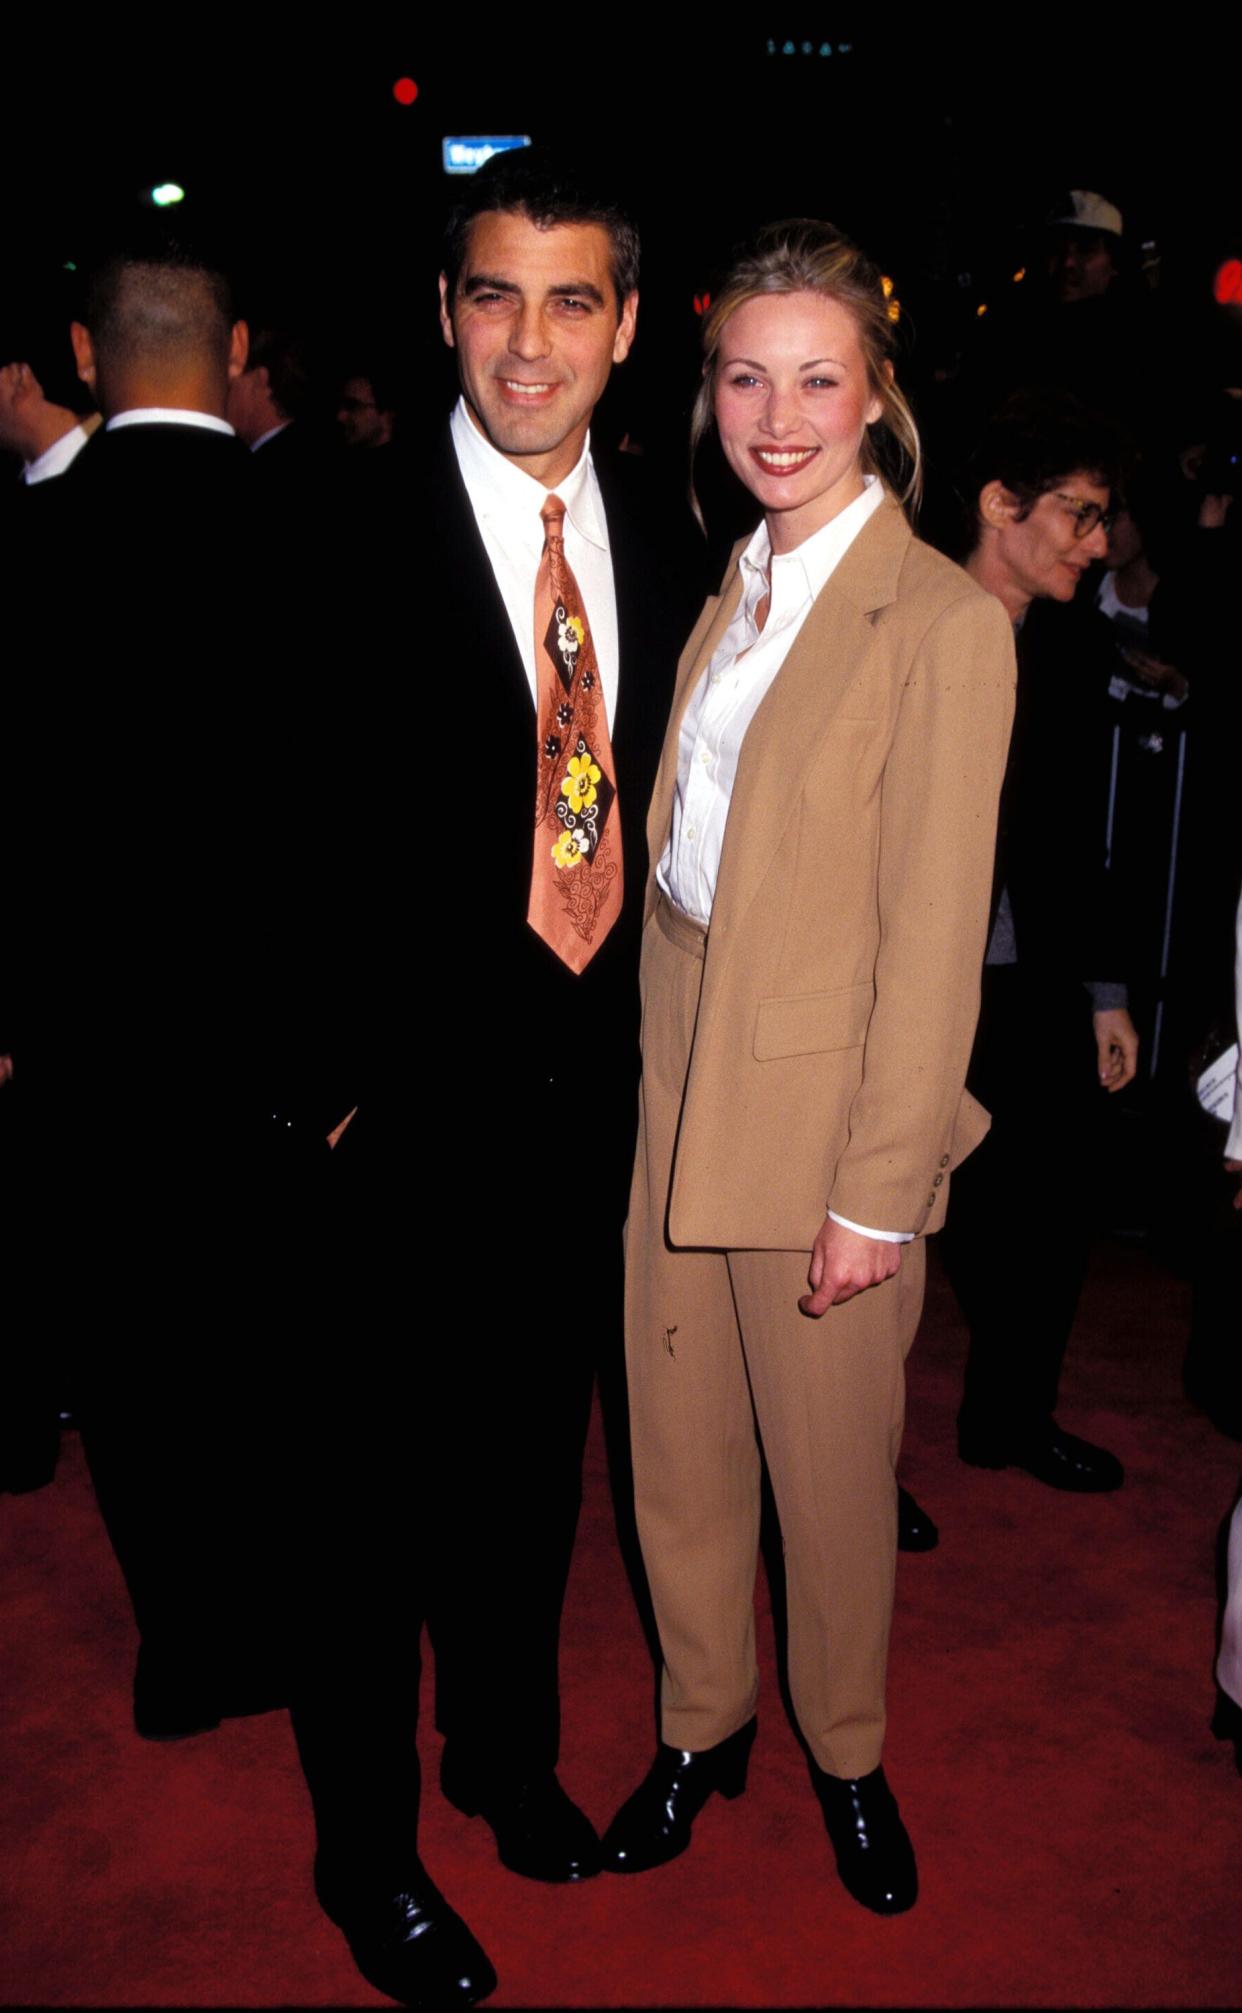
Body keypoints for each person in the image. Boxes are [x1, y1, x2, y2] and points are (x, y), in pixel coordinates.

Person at [599, 219, 1016, 1916]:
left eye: (814, 379)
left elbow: (931, 941)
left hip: (827, 1106)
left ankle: (846, 1748)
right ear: (708, 393)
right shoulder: (735, 581)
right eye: (745, 378)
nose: (777, 414)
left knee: (832, 1482)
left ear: (875, 396)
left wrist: (881, 1189)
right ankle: (704, 1725)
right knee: (678, 1452)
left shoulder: (937, 622)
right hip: (674, 1062)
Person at [938, 391, 1139, 1490]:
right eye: (1080, 514)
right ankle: (846, 1475)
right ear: (999, 505)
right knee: (921, 1222)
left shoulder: (1070, 642)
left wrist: (1106, 993)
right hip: (915, 979)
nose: (1099, 542)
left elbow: (1076, 835)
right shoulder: (902, 619)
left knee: (1055, 1210)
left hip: (1036, 977)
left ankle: (1012, 1417)